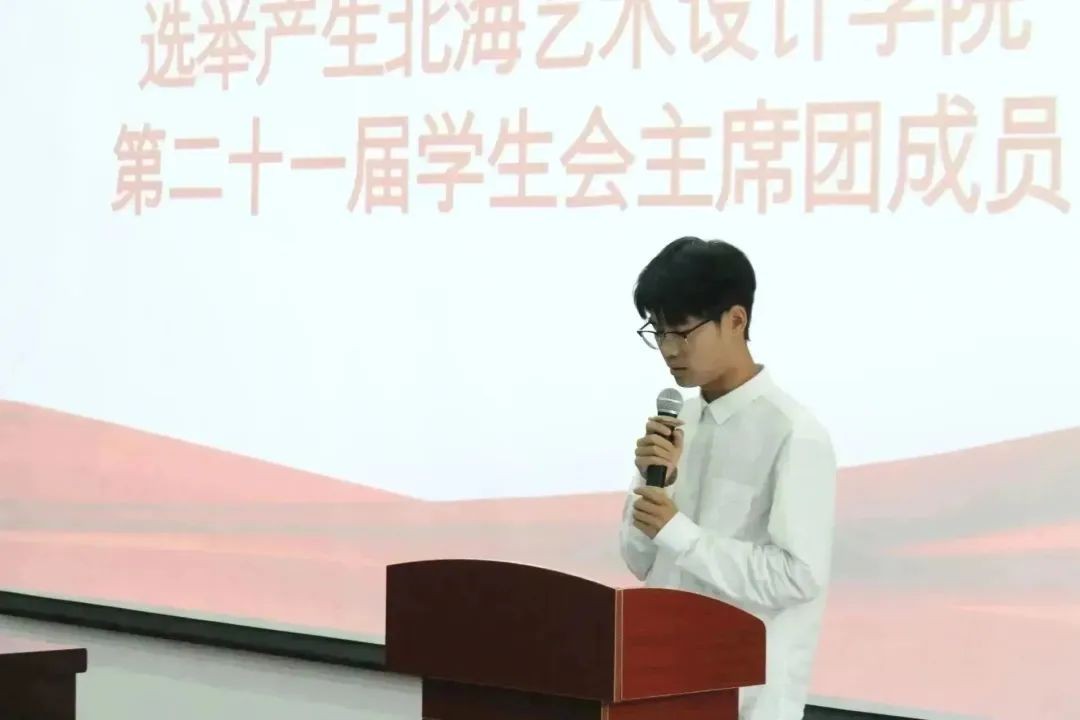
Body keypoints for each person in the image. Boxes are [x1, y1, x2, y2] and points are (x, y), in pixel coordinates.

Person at [620, 236, 836, 720]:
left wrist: (679, 531)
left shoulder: (794, 433)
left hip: (744, 702)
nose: (668, 349)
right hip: (660, 689)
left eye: (682, 332)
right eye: (658, 332)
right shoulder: (677, 423)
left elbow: (797, 577)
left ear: (736, 320)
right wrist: (655, 486)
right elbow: (639, 560)